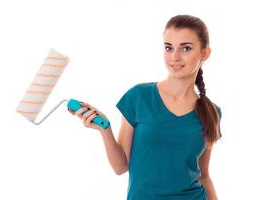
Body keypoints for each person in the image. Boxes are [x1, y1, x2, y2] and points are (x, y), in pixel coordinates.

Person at [68, 14, 222, 200]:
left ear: (204, 53)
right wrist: (105, 129)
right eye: (168, 48)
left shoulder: (211, 112)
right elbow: (120, 167)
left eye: (186, 48)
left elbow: (204, 176)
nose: (174, 57)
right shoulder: (139, 97)